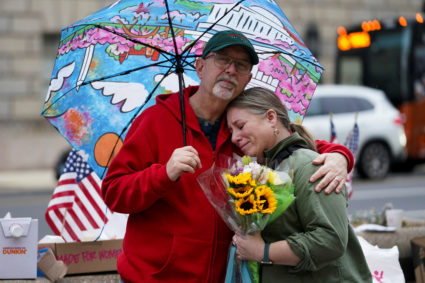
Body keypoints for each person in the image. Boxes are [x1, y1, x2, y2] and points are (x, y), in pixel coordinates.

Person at [101, 29, 354, 283]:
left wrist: (340, 156)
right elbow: (114, 192)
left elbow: (290, 142)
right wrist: (164, 174)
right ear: (200, 67)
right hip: (156, 278)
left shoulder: (242, 130)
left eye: (241, 65)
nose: (231, 69)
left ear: (247, 79)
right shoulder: (155, 121)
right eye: (222, 59)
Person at [227, 87, 371, 282]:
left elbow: (331, 239)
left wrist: (263, 251)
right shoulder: (265, 169)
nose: (234, 137)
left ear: (271, 118)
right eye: (231, 130)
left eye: (240, 126)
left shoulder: (310, 165)